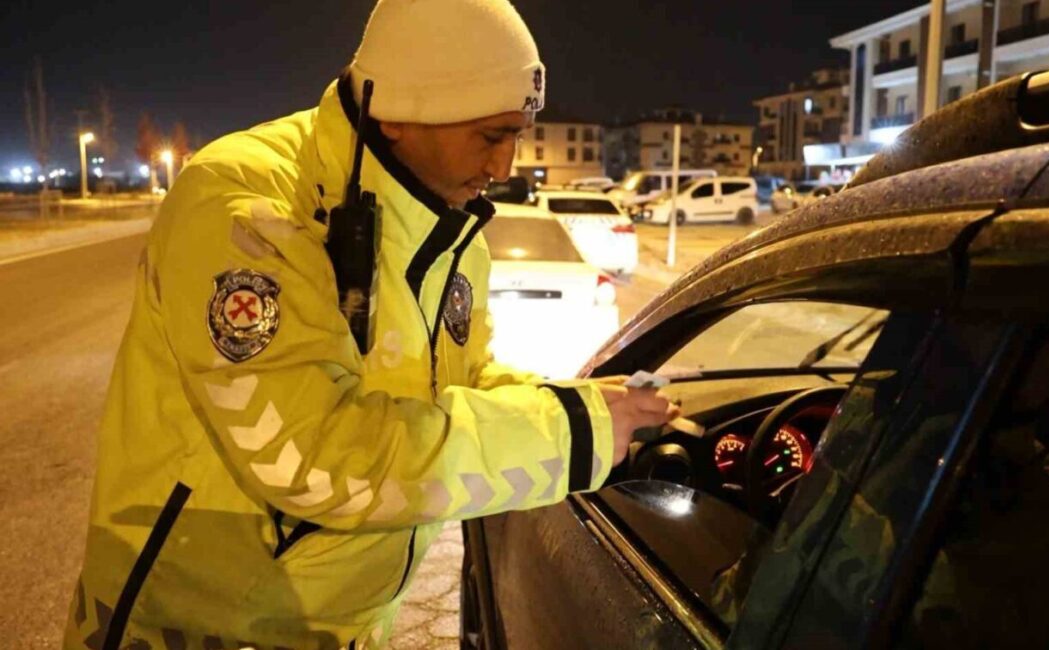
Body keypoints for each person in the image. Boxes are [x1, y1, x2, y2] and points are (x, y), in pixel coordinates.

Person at [64, 1, 677, 648]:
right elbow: (312, 455)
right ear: (398, 114)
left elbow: (462, 383)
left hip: (345, 629)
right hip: (194, 628)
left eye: (518, 134)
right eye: (491, 136)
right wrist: (567, 435)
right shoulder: (247, 207)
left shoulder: (450, 225)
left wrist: (593, 411)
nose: (505, 167)